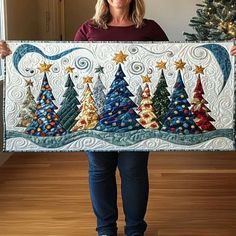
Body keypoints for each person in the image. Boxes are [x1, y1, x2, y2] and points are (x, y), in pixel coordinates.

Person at [0, 0, 236, 235]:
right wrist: (8, 55)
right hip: (96, 117)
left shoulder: (149, 28)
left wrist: (229, 51)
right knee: (100, 170)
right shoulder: (88, 29)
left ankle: (135, 229)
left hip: (139, 115)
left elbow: (176, 63)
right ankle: (105, 229)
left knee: (133, 170)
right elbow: (66, 66)